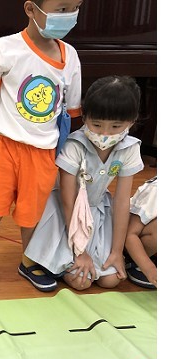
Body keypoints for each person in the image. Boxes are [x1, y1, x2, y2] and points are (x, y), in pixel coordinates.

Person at [0, 0, 83, 291]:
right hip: (3, 146)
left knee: (32, 213)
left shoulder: (71, 57)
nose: (69, 16)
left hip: (43, 152)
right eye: (61, 9)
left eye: (75, 8)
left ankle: (29, 261)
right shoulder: (6, 48)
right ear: (31, 9)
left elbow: (71, 112)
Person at [24, 75, 144, 290]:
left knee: (111, 280)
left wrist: (117, 252)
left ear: (132, 121)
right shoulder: (75, 145)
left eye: (116, 126)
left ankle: (86, 259)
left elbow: (122, 201)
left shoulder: (130, 148)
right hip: (66, 215)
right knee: (82, 282)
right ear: (84, 116)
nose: (105, 134)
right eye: (96, 124)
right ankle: (58, 261)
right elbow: (68, 201)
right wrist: (80, 252)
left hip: (97, 214)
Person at [124, 176, 157, 288]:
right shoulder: (156, 191)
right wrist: (149, 269)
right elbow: (130, 235)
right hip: (129, 240)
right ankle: (135, 262)